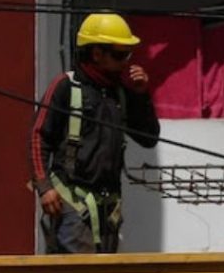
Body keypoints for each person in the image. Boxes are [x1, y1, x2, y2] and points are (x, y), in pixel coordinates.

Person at [30, 13, 160, 254]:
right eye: (119, 54)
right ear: (96, 53)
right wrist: (45, 187)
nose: (125, 62)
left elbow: (149, 137)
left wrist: (142, 95)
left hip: (108, 208)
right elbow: (39, 136)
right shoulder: (65, 87)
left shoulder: (119, 94)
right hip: (71, 203)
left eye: (128, 54)